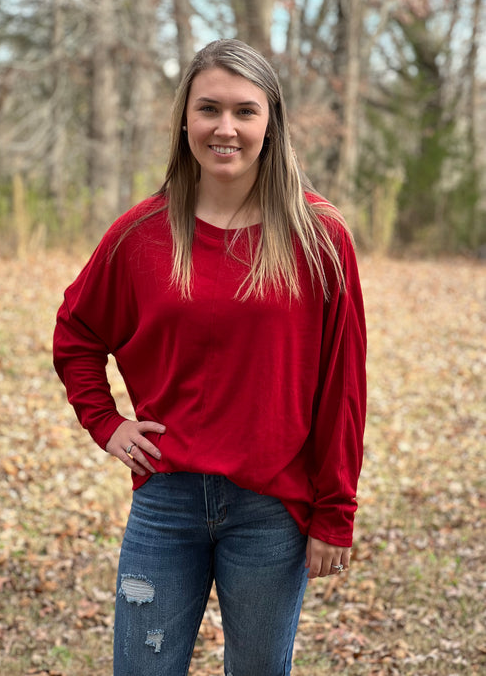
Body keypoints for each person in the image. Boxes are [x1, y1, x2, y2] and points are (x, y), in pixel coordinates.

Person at [53, 38, 367, 676]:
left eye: (245, 111)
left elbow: (344, 385)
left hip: (272, 507)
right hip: (165, 501)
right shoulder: (141, 234)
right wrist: (105, 423)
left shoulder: (319, 236)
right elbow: (76, 331)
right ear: (185, 120)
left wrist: (334, 511)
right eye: (209, 109)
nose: (226, 128)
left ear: (270, 122)